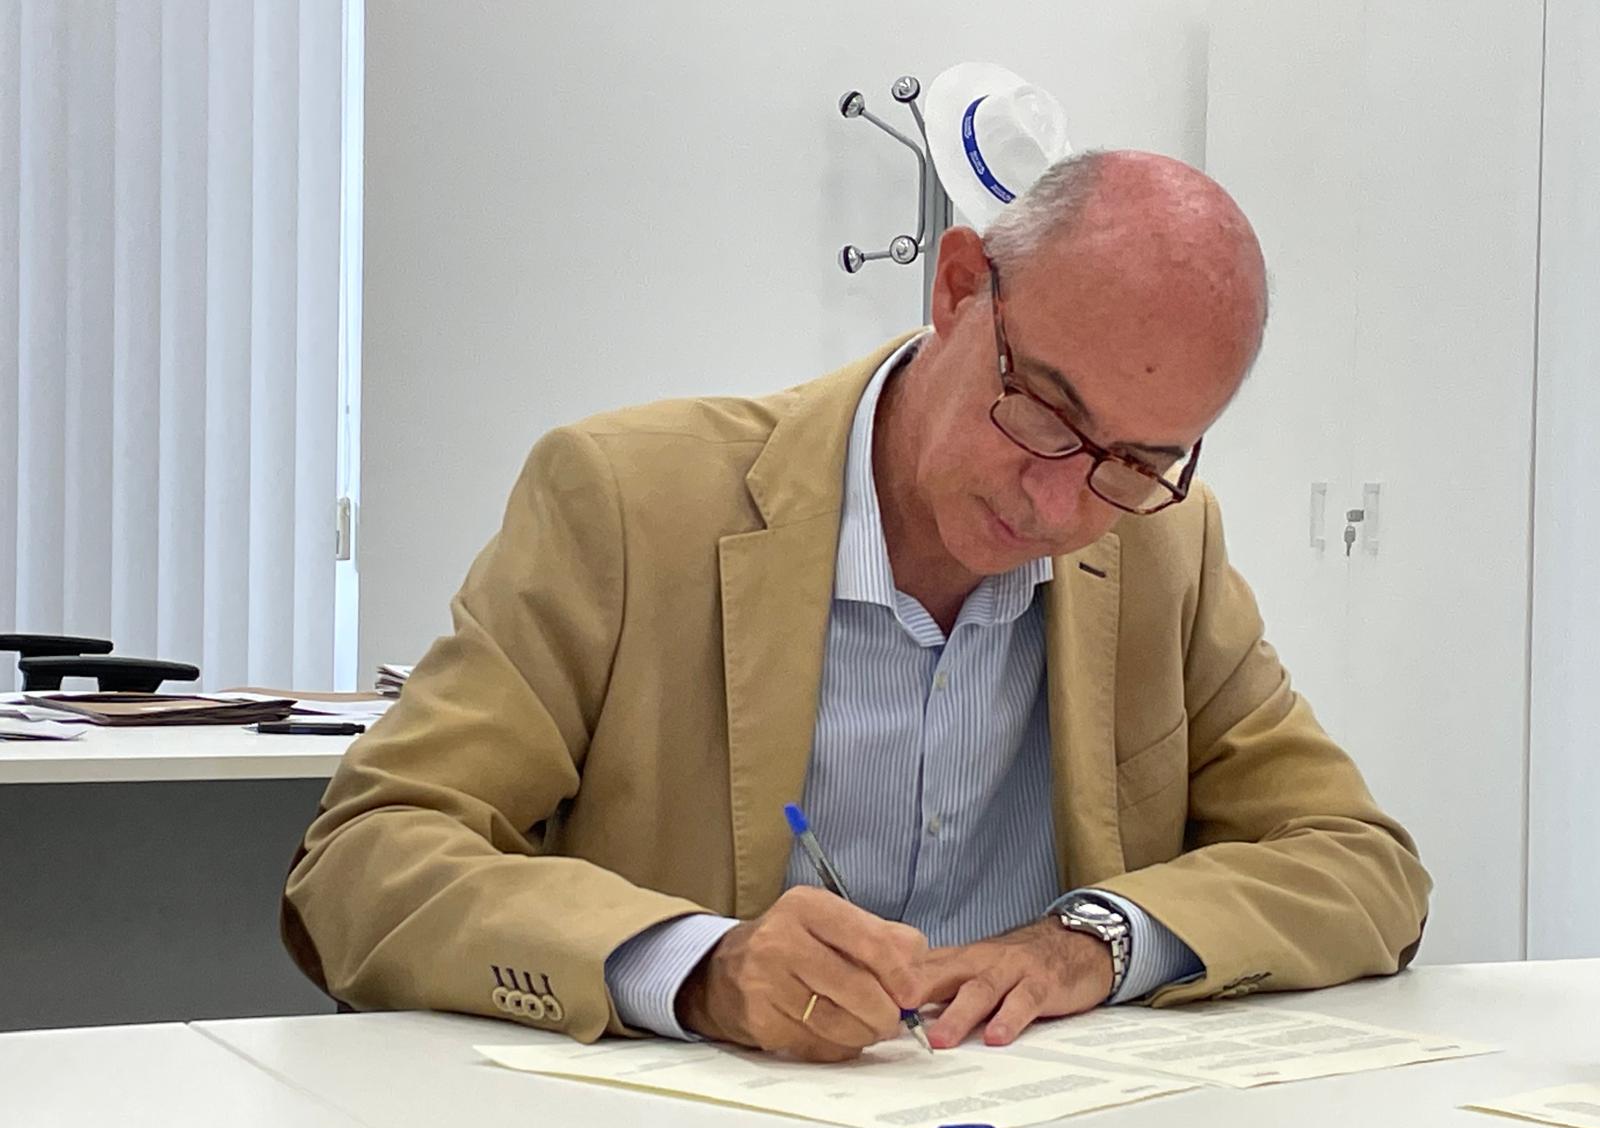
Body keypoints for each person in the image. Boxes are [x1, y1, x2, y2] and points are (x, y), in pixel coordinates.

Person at [283, 150, 1429, 1062]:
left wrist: (1091, 940)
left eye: (1133, 461)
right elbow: (362, 860)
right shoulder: (629, 503)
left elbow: (1358, 862)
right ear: (957, 287)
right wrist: (697, 967)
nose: (1058, 503)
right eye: (1042, 412)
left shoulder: (1162, 544)